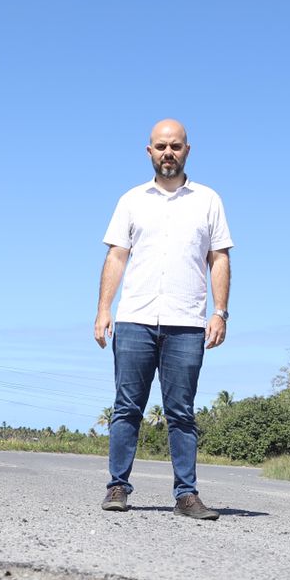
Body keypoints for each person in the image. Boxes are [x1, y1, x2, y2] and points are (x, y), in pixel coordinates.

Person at [95, 118, 232, 520]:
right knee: (126, 408)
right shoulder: (131, 200)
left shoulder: (208, 200)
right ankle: (117, 486)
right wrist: (104, 309)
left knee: (182, 412)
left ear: (187, 150)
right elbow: (116, 256)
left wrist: (220, 312)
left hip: (187, 323)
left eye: (175, 146)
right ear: (149, 151)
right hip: (135, 318)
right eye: (160, 146)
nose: (167, 153)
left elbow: (219, 258)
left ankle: (186, 495)